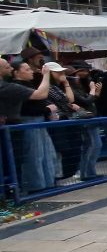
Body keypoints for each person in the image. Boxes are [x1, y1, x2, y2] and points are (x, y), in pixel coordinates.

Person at [11, 61, 57, 193]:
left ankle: (48, 182)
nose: (31, 71)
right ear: (16, 73)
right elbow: (29, 107)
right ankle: (35, 186)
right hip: (29, 122)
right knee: (34, 154)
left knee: (47, 153)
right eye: (26, 69)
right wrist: (46, 110)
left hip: (39, 120)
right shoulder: (16, 87)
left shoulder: (29, 84)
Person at [67, 62, 101, 181]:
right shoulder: (72, 90)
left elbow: (91, 100)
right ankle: (87, 173)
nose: (80, 76)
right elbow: (86, 101)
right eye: (75, 75)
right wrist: (92, 90)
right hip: (85, 120)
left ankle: (90, 172)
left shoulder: (81, 87)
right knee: (91, 145)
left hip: (91, 118)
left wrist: (95, 93)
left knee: (95, 145)